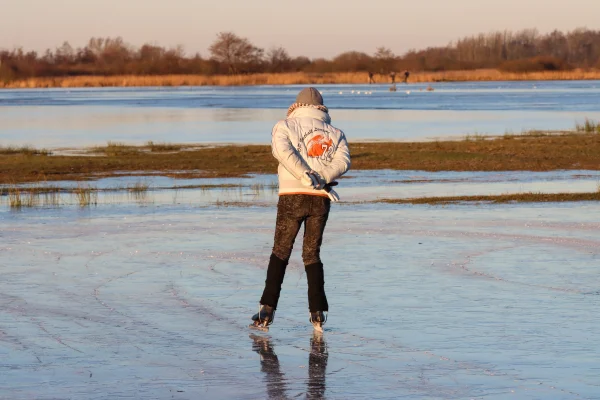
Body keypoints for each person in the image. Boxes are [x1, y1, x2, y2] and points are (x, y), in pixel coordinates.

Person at [250, 87, 351, 332]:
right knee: (311, 254)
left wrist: (305, 176)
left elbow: (282, 152)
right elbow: (343, 162)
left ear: (297, 105)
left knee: (280, 252)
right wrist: (319, 178)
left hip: (291, 196)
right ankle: (318, 313)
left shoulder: (284, 126)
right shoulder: (335, 132)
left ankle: (266, 311)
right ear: (321, 107)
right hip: (320, 198)